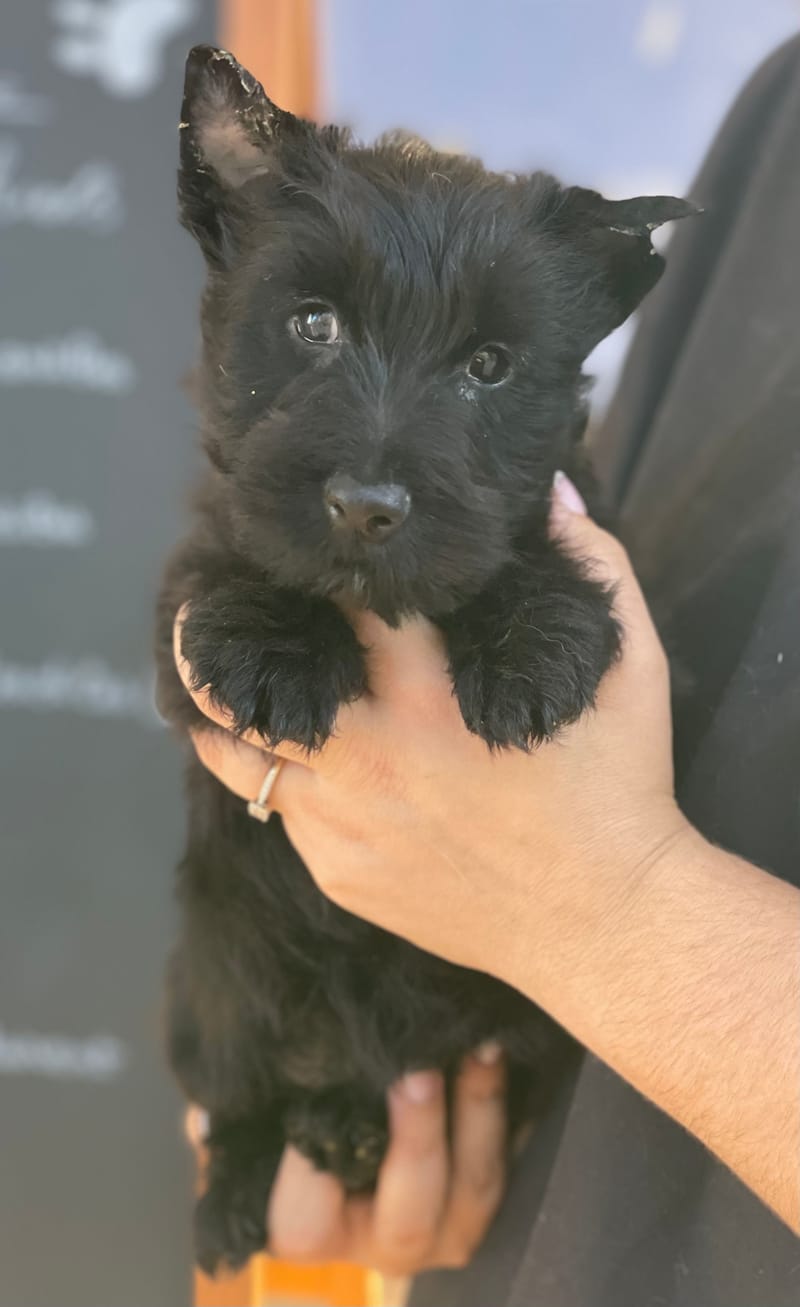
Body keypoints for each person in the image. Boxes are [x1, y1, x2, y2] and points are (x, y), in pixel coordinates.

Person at [175, 36, 800, 1306]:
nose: (375, 459)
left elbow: (570, 566)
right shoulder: (781, 122)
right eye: (312, 324)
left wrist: (608, 910)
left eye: (480, 368)